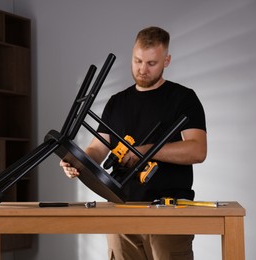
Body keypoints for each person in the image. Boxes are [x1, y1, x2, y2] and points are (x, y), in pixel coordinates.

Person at [59, 26, 207, 260]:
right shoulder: (117, 102)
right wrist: (77, 163)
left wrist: (147, 151)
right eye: (137, 61)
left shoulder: (183, 98)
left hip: (169, 209)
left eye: (151, 63)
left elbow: (198, 150)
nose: (142, 69)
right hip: (121, 208)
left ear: (166, 61)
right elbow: (98, 148)